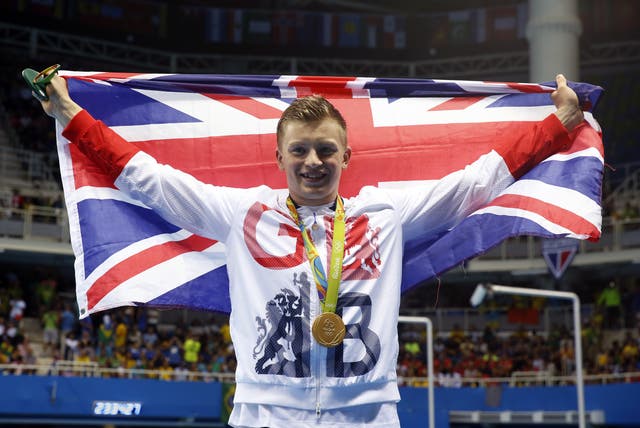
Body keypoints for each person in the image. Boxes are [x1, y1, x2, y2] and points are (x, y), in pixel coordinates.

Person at [37, 72, 583, 427]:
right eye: (299, 150)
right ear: (279, 158)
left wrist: (557, 126)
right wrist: (70, 115)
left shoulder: (384, 215)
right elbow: (147, 179)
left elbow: (476, 182)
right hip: (264, 415)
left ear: (348, 156)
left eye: (326, 149)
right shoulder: (242, 213)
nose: (313, 161)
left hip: (368, 416)